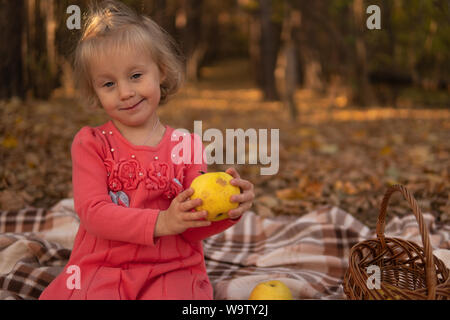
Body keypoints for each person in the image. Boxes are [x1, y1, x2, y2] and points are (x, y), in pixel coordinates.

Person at [39, 0, 254, 300]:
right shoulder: (91, 143)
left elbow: (192, 225)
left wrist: (229, 209)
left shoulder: (188, 146)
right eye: (109, 84)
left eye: (136, 76)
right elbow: (93, 213)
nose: (125, 92)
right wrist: (162, 221)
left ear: (161, 72)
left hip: (172, 266)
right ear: (94, 91)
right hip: (104, 265)